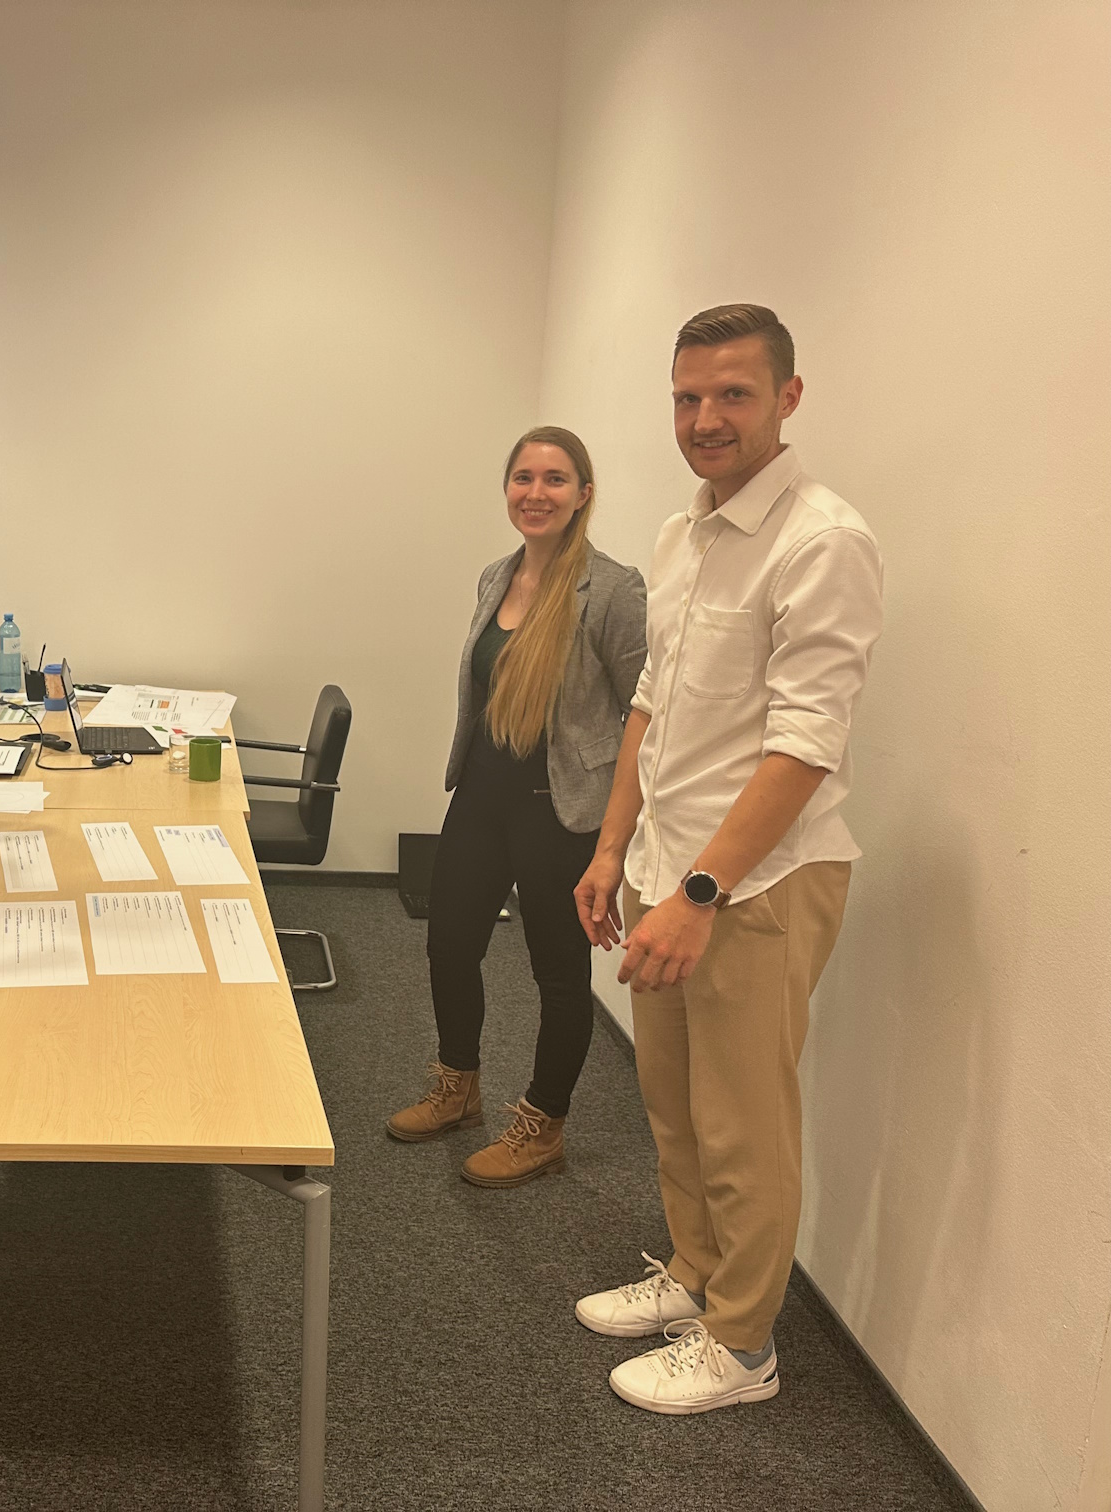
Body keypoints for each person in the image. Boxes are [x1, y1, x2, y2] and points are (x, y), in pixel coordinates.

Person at [571, 305, 883, 1414]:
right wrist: (615, 847)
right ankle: (695, 1275)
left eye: (734, 394)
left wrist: (702, 891)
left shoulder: (822, 540)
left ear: (788, 398)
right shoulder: (683, 534)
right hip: (667, 867)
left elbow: (806, 744)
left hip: (757, 884)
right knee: (673, 1104)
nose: (705, 418)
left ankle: (743, 1344)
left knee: (745, 1123)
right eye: (687, 397)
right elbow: (652, 704)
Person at [386, 427, 647, 1186]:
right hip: (482, 793)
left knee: (557, 972)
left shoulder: (614, 589)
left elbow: (644, 709)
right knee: (448, 945)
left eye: (555, 479)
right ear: (507, 490)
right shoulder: (495, 576)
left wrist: (618, 838)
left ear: (584, 494)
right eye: (523, 478)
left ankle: (542, 1125)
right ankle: (457, 1088)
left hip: (559, 807)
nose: (536, 493)